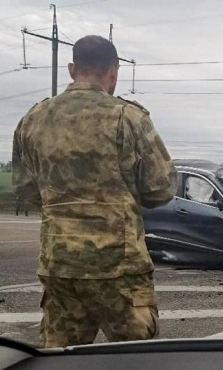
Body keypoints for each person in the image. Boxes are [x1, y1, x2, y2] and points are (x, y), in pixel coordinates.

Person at [11, 35, 177, 348]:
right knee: (136, 359)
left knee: (58, 360)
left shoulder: (32, 120)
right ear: (113, 73)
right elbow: (161, 189)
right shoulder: (129, 118)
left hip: (60, 266)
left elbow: (25, 189)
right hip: (119, 269)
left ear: (72, 69)